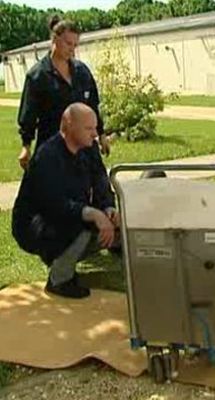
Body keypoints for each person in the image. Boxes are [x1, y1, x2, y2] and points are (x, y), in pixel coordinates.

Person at [12, 103, 118, 299]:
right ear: (69, 126)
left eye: (95, 128)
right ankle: (59, 279)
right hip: (34, 225)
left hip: (64, 215)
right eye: (89, 128)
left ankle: (69, 257)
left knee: (112, 222)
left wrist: (108, 208)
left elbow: (101, 180)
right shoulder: (47, 156)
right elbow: (55, 206)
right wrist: (93, 214)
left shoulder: (89, 148)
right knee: (84, 225)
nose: (95, 134)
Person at [16, 15, 110, 171]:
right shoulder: (37, 76)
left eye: (75, 45)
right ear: (54, 40)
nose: (72, 49)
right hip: (53, 149)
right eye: (68, 43)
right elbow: (29, 114)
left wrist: (101, 134)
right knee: (55, 192)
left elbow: (93, 106)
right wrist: (26, 146)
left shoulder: (82, 72)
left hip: (85, 147)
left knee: (101, 192)